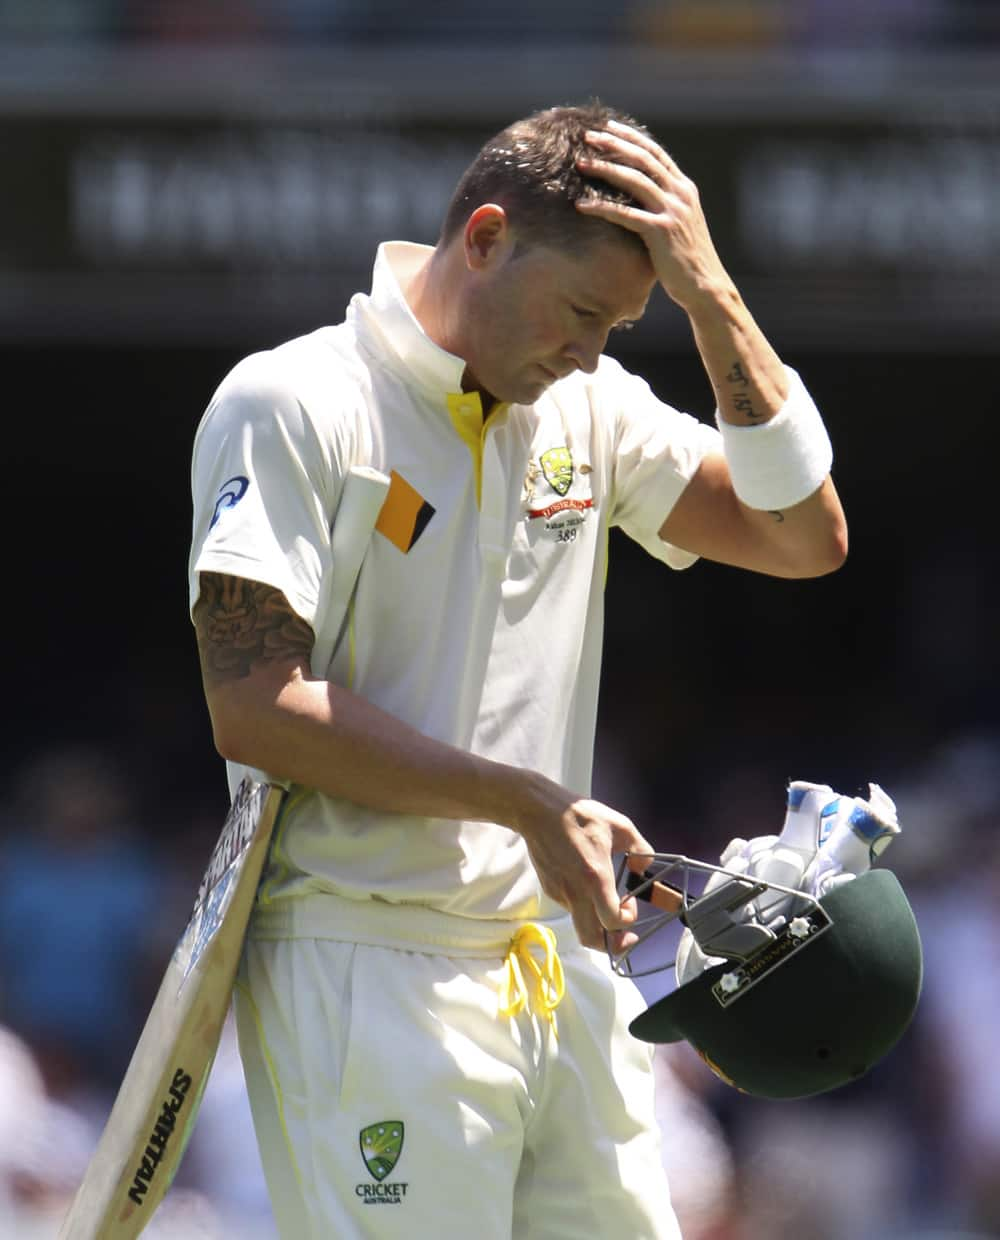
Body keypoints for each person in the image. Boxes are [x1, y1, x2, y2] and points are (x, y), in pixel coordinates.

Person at [187, 101, 846, 1238]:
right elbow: (255, 707)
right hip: (367, 965)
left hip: (559, 969)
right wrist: (526, 803)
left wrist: (712, 297)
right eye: (583, 311)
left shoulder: (581, 404)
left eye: (623, 324)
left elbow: (804, 537)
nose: (592, 351)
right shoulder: (294, 400)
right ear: (484, 237)